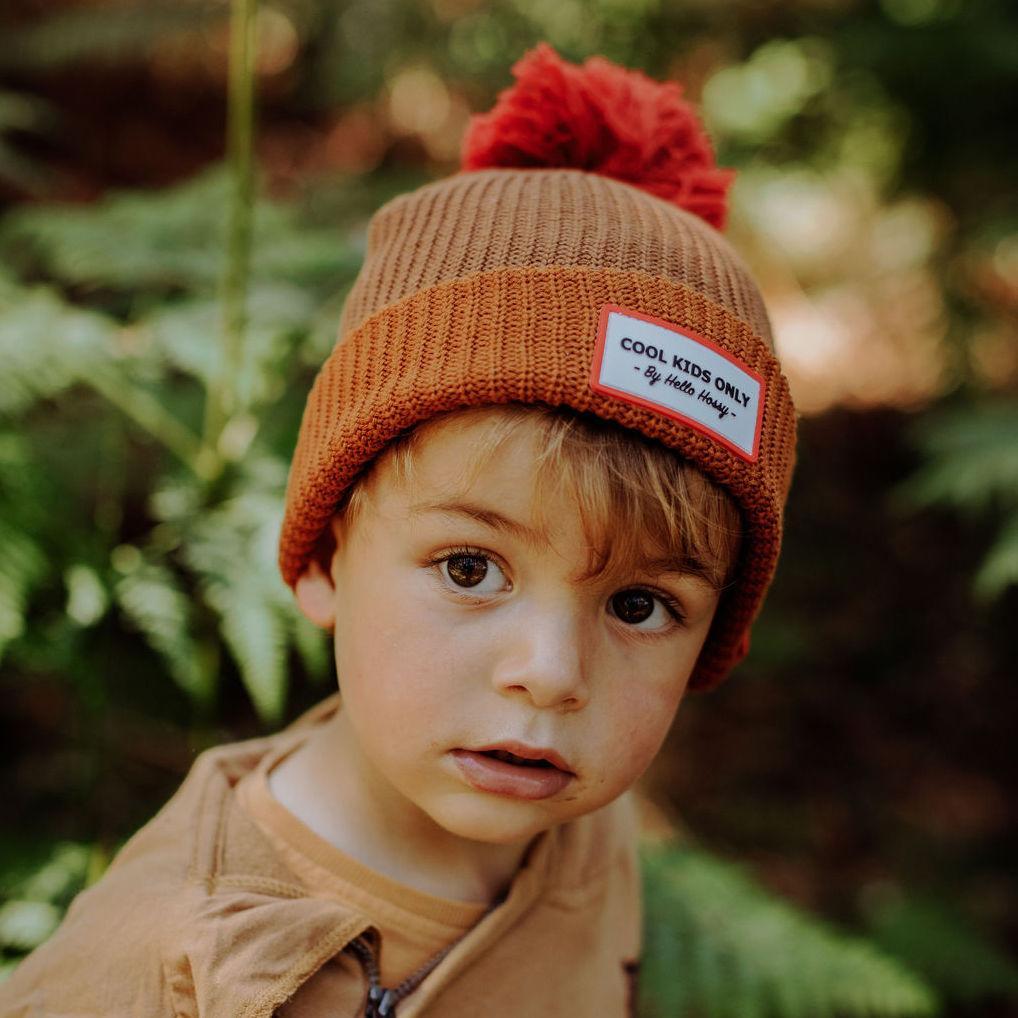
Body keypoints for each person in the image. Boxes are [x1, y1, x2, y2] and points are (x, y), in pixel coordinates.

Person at [0, 43, 796, 1017]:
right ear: (328, 551)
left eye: (639, 604)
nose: (550, 673)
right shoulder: (162, 963)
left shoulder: (590, 840)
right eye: (470, 566)